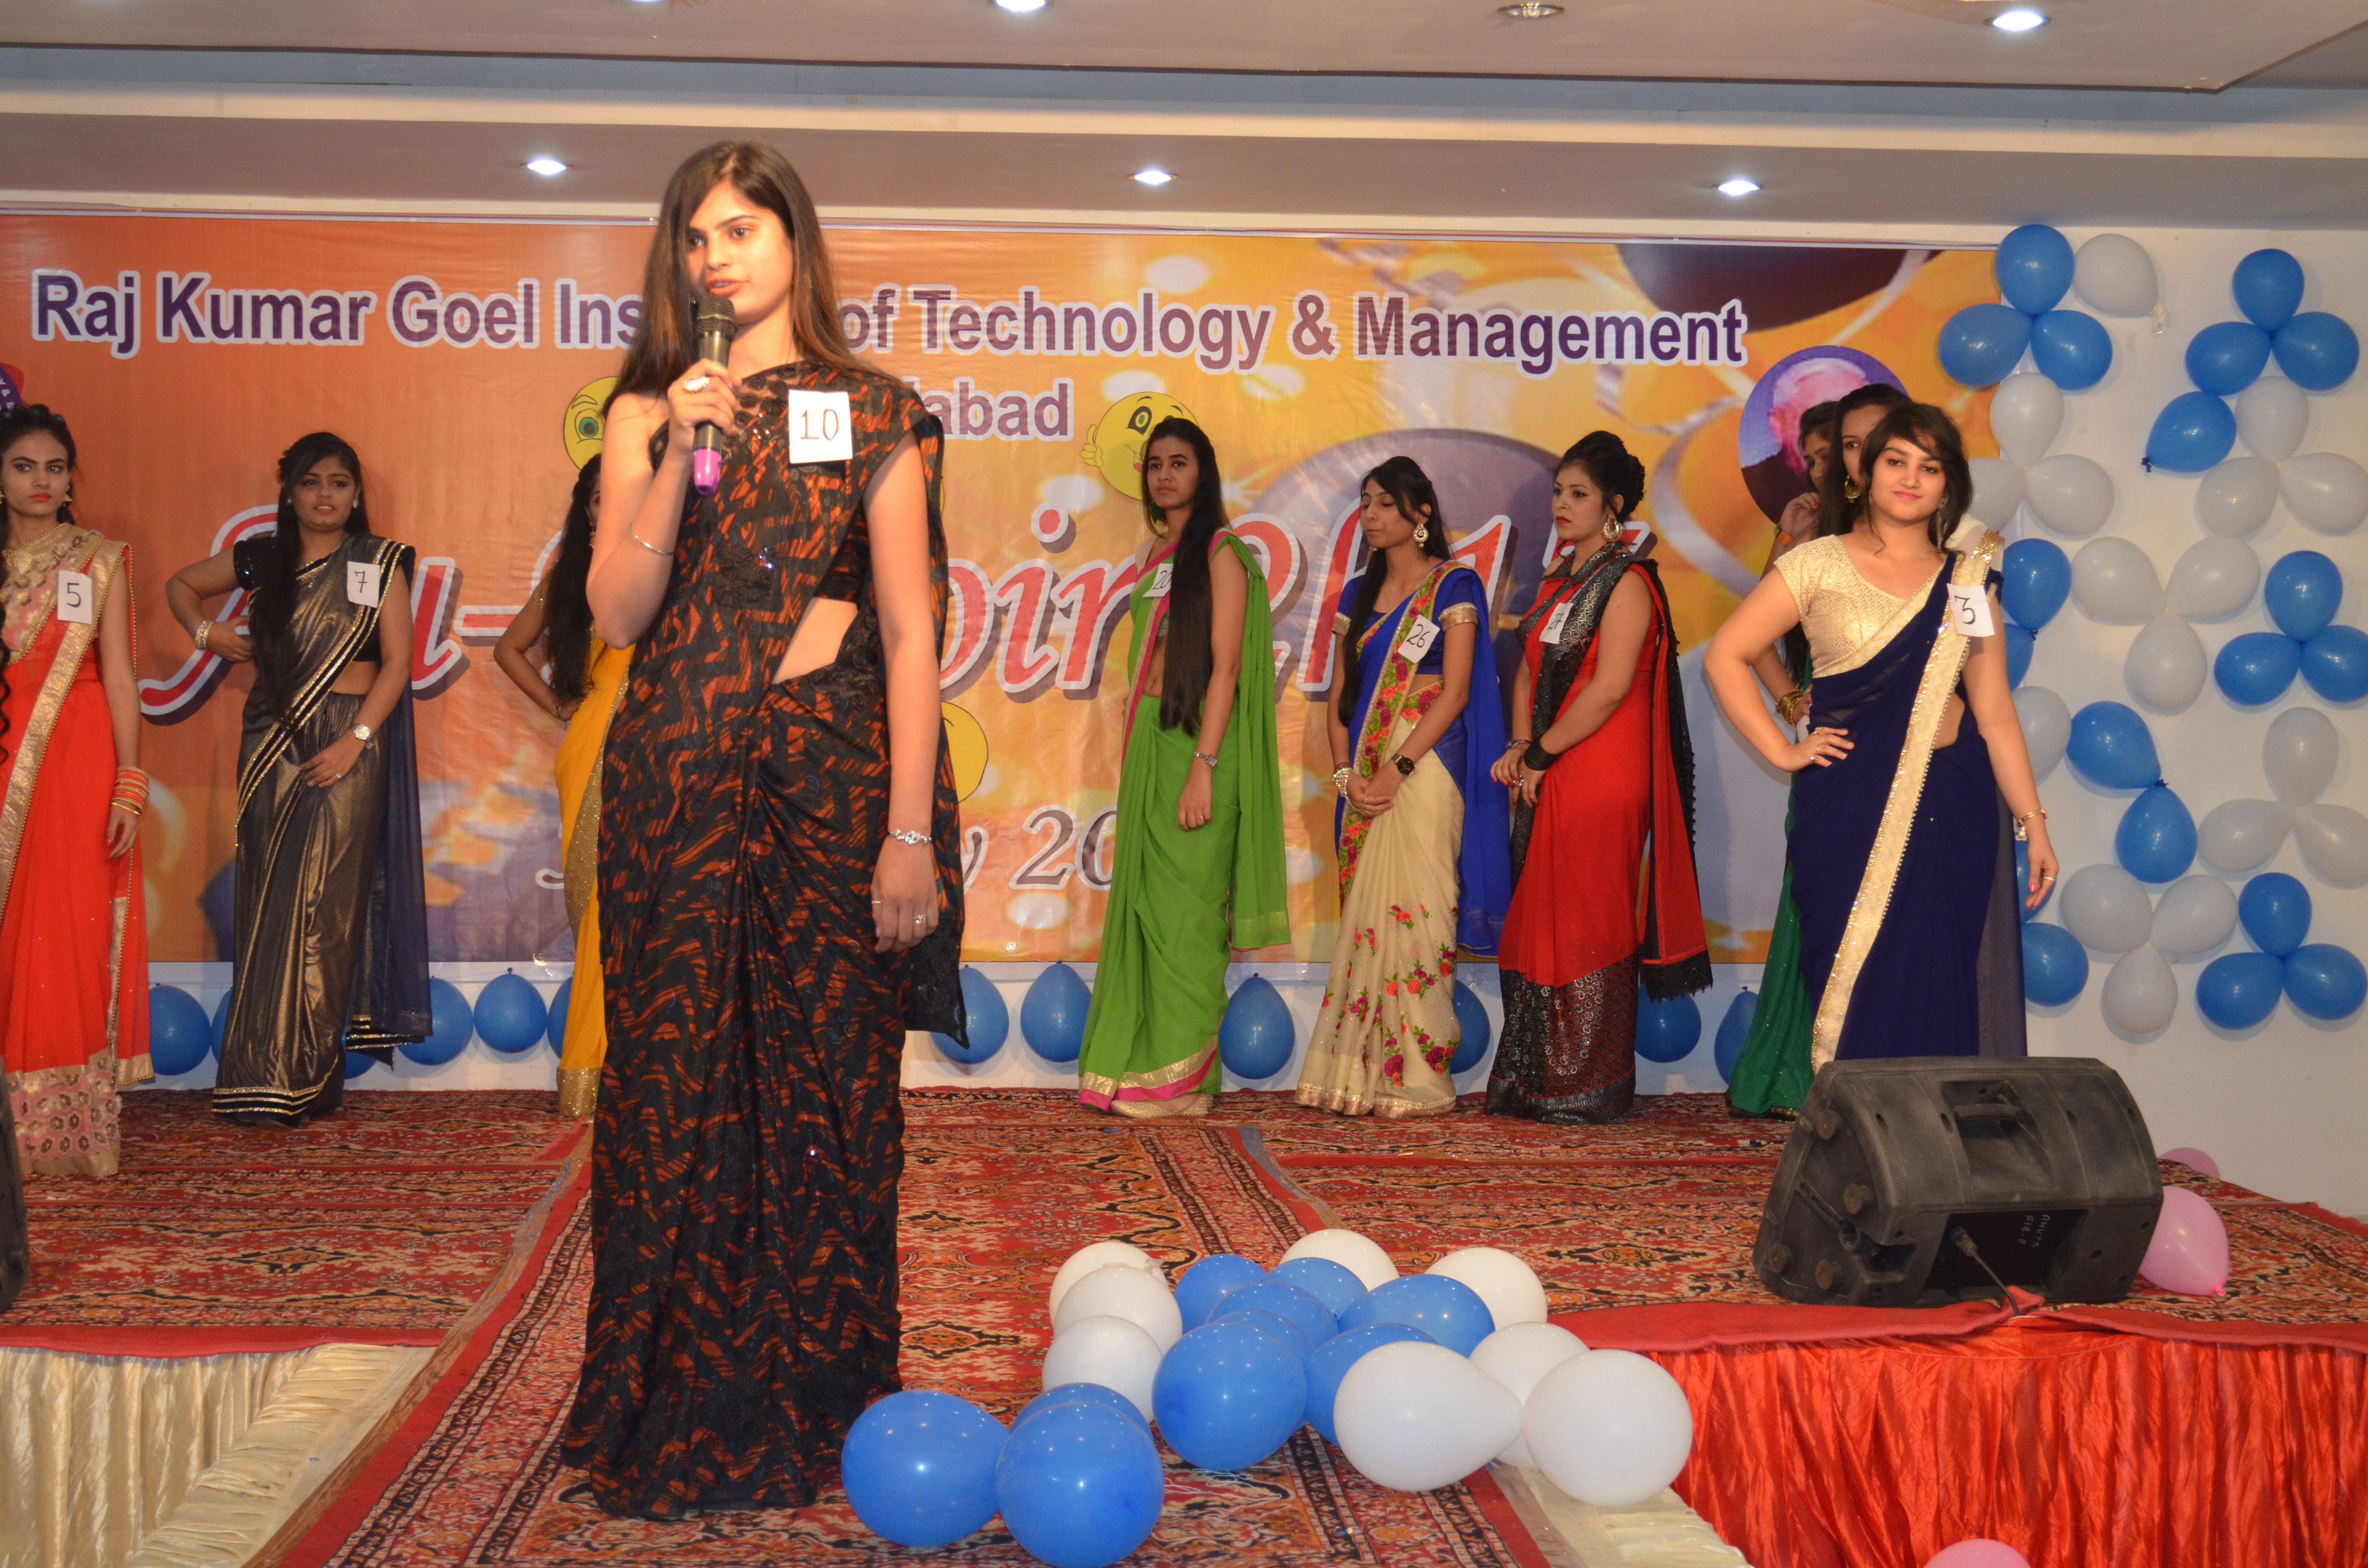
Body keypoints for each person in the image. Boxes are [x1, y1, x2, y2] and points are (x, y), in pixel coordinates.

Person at [560, 140, 964, 1519]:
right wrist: (681, 446)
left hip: (826, 796)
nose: (715, 255)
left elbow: (908, 633)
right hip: (673, 792)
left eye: (741, 227)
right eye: (695, 235)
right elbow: (618, 613)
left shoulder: (876, 409)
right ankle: (668, 1394)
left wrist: (908, 834)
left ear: (796, 241)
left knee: (829, 1090)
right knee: (671, 1097)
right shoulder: (645, 414)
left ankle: (825, 1392)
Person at [1706, 403, 2052, 1067]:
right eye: (1897, 461)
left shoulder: (1967, 581)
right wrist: (1783, 749)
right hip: (1848, 804)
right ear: (1864, 472)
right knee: (1853, 983)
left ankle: (1934, 1129)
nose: (1911, 478)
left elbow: (1996, 713)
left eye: (1931, 467)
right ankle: (1861, 1128)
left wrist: (2033, 824)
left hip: (1952, 805)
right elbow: (1728, 654)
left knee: (1940, 980)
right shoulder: (1817, 563)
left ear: (1949, 485)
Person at [168, 432, 431, 1125]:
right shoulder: (264, 558)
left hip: (350, 741)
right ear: (288, 492)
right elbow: (181, 586)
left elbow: (397, 663)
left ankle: (307, 1076)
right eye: (311, 482)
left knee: (327, 908)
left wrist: (356, 741)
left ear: (356, 492)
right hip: (273, 740)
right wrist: (207, 634)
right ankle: (256, 1073)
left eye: (338, 483)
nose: (325, 496)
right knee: (270, 901)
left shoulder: (379, 560)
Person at [1486, 433, 1708, 1124]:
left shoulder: (1629, 581)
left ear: (1613, 506)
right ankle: (1535, 1080)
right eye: (1558, 491)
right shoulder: (1559, 582)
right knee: (1541, 913)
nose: (1562, 504)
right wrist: (1521, 745)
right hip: (1554, 760)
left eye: (1578, 494)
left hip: (1603, 770)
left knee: (1589, 914)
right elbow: (1528, 669)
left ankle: (1586, 1084)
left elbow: (1609, 689)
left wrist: (1540, 755)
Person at [1075, 417, 1289, 1118]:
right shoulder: (1155, 554)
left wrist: (1204, 767)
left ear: (1205, 472)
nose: (1165, 476)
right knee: (1149, 910)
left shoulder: (1222, 552)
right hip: (1153, 745)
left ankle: (1180, 1085)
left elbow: (1226, 668)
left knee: (1187, 919)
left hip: (1199, 750)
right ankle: (1153, 1073)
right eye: (1155, 464)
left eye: (1179, 462)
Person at [1296, 457, 1509, 1118]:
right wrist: (1346, 775)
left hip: (1428, 767)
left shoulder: (1454, 586)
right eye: (1366, 502)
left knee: (1421, 914)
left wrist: (1399, 768)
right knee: (1370, 918)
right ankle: (1357, 1073)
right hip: (1363, 774)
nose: (1372, 514)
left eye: (1386, 503)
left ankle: (1416, 1076)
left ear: (1421, 513)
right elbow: (1340, 700)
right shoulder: (1356, 596)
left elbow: (1456, 691)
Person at [1727, 381, 1910, 1115]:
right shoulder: (1813, 536)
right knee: (1816, 891)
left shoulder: (1917, 534)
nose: (1825, 466)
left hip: (1908, 738)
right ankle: (1795, 1071)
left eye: (1838, 450)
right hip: (1831, 733)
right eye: (1814, 456)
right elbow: (1749, 639)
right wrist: (1792, 706)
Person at [0, 404, 150, 1176]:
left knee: (63, 933)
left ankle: (55, 1130)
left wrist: (129, 783)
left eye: (55, 468)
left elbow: (119, 676)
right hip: (6, 756)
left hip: (78, 765)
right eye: (24, 466)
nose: (42, 482)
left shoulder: (99, 560)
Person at [493, 458, 629, 1118]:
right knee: (599, 904)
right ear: (586, 509)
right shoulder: (572, 577)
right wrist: (557, 703)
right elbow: (508, 649)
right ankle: (589, 1069)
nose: (614, 508)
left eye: (628, 496)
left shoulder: (673, 568)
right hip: (596, 743)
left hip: (671, 742)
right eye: (600, 499)